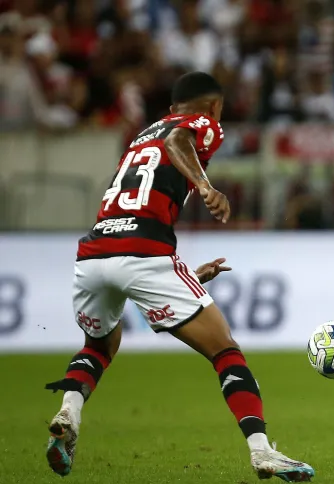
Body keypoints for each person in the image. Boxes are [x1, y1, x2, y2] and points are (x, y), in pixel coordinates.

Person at [43, 72, 314, 483]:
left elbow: (140, 200)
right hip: (145, 254)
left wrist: (181, 272)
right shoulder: (202, 124)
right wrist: (205, 186)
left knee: (99, 345)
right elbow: (178, 142)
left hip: (94, 252)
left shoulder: (140, 136)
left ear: (170, 108)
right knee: (225, 351)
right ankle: (262, 452)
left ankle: (70, 411)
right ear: (214, 107)